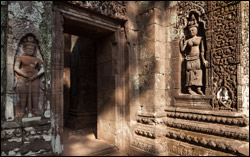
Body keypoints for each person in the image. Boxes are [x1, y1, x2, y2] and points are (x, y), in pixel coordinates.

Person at [14, 35, 44, 117]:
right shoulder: (21, 58)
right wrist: (24, 74)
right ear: (24, 49)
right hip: (23, 78)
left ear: (34, 50)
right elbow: (15, 67)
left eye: (32, 49)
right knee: (23, 94)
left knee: (35, 94)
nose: (30, 50)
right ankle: (22, 109)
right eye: (28, 49)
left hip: (35, 78)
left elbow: (43, 69)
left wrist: (35, 76)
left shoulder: (37, 60)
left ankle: (36, 109)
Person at [180, 14, 208, 95]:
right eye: (190, 30)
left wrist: (204, 60)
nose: (191, 31)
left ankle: (198, 88)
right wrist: (181, 42)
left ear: (197, 30)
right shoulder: (188, 40)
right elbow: (182, 49)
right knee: (189, 73)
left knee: (198, 72)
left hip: (197, 57)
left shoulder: (200, 38)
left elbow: (202, 51)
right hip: (189, 58)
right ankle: (189, 88)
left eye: (193, 30)